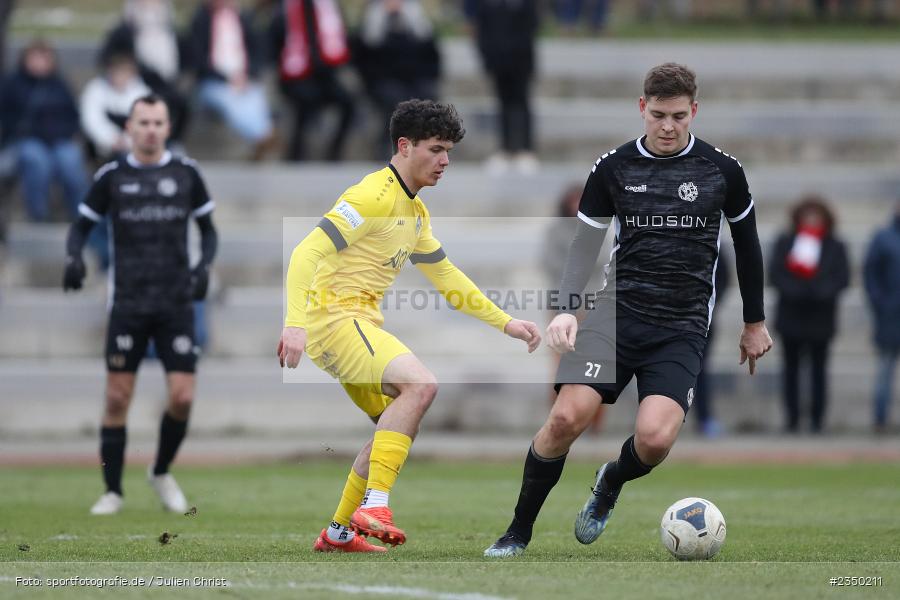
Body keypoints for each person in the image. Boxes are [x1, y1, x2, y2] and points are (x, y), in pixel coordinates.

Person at [484, 63, 772, 558]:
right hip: (614, 316)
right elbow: (583, 245)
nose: (667, 126)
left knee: (655, 439)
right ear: (642, 108)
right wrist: (568, 308)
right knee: (565, 419)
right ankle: (517, 532)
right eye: (658, 115)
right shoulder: (613, 168)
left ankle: (610, 481)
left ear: (694, 111)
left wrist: (754, 321)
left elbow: (747, 247)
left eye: (678, 116)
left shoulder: (722, 171)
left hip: (680, 328)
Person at [279, 99, 541, 553]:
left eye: (449, 152)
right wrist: (294, 325)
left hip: (350, 324)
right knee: (421, 386)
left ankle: (340, 532)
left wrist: (507, 323)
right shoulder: (372, 196)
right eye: (436, 149)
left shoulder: (415, 213)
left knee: (393, 428)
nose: (444, 161)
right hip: (334, 320)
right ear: (405, 146)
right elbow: (306, 252)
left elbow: (447, 277)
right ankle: (375, 505)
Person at [63, 94, 218, 515]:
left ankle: (160, 470)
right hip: (128, 303)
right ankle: (112, 490)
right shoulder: (112, 176)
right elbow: (80, 227)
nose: (150, 129)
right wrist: (74, 258)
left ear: (168, 128)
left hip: (176, 303)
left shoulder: (186, 173)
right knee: (117, 397)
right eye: (143, 122)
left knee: (183, 397)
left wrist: (204, 266)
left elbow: (208, 231)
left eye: (157, 122)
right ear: (129, 128)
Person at [769, 196, 849, 434]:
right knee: (790, 371)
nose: (811, 220)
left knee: (819, 371)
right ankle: (792, 419)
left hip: (820, 318)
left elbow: (841, 278)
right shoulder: (785, 242)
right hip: (792, 316)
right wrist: (798, 291)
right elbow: (776, 274)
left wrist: (818, 292)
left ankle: (817, 419)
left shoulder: (835, 245)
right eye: (807, 215)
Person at [0, 39, 88, 222]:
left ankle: (81, 215)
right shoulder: (13, 84)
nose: (40, 63)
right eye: (35, 58)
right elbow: (7, 118)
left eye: (44, 58)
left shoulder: (60, 85)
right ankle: (39, 214)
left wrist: (64, 133)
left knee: (70, 160)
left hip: (59, 139)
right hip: (27, 140)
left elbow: (73, 115)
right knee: (37, 161)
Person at [352, 0, 441, 161]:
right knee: (394, 100)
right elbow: (363, 59)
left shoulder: (416, 21)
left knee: (425, 97)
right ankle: (389, 149)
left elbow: (431, 56)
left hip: (415, 80)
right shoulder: (373, 22)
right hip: (383, 81)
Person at [189, 0, 277, 160]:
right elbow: (198, 61)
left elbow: (258, 51)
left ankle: (262, 137)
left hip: (244, 79)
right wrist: (227, 79)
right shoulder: (201, 20)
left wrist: (246, 75)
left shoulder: (243, 18)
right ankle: (262, 136)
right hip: (213, 83)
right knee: (231, 102)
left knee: (256, 97)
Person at [270, 0, 357, 161]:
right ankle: (296, 153)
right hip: (295, 75)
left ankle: (333, 151)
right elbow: (274, 41)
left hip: (325, 73)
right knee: (305, 100)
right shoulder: (284, 7)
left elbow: (342, 37)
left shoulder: (329, 5)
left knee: (349, 103)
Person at [465, 0, 539, 175]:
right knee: (503, 105)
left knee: (522, 104)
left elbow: (532, 26)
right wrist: (488, 59)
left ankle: (526, 149)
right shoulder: (488, 5)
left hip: (521, 62)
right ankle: (505, 150)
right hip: (498, 63)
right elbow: (482, 31)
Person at [101, 0, 190, 145]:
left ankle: (170, 144)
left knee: (179, 105)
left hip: (169, 86)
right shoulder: (124, 32)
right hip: (136, 84)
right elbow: (108, 59)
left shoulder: (173, 33)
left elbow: (189, 60)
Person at [863, 200, 900, 433]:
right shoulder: (883, 237)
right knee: (885, 370)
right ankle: (880, 420)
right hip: (890, 317)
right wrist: (883, 305)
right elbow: (871, 275)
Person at [80, 53, 151, 163]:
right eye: (116, 73)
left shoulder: (142, 92)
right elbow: (91, 119)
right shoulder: (95, 89)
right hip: (101, 147)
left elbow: (146, 121)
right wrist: (111, 139)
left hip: (135, 145)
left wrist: (128, 141)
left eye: (123, 73)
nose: (119, 77)